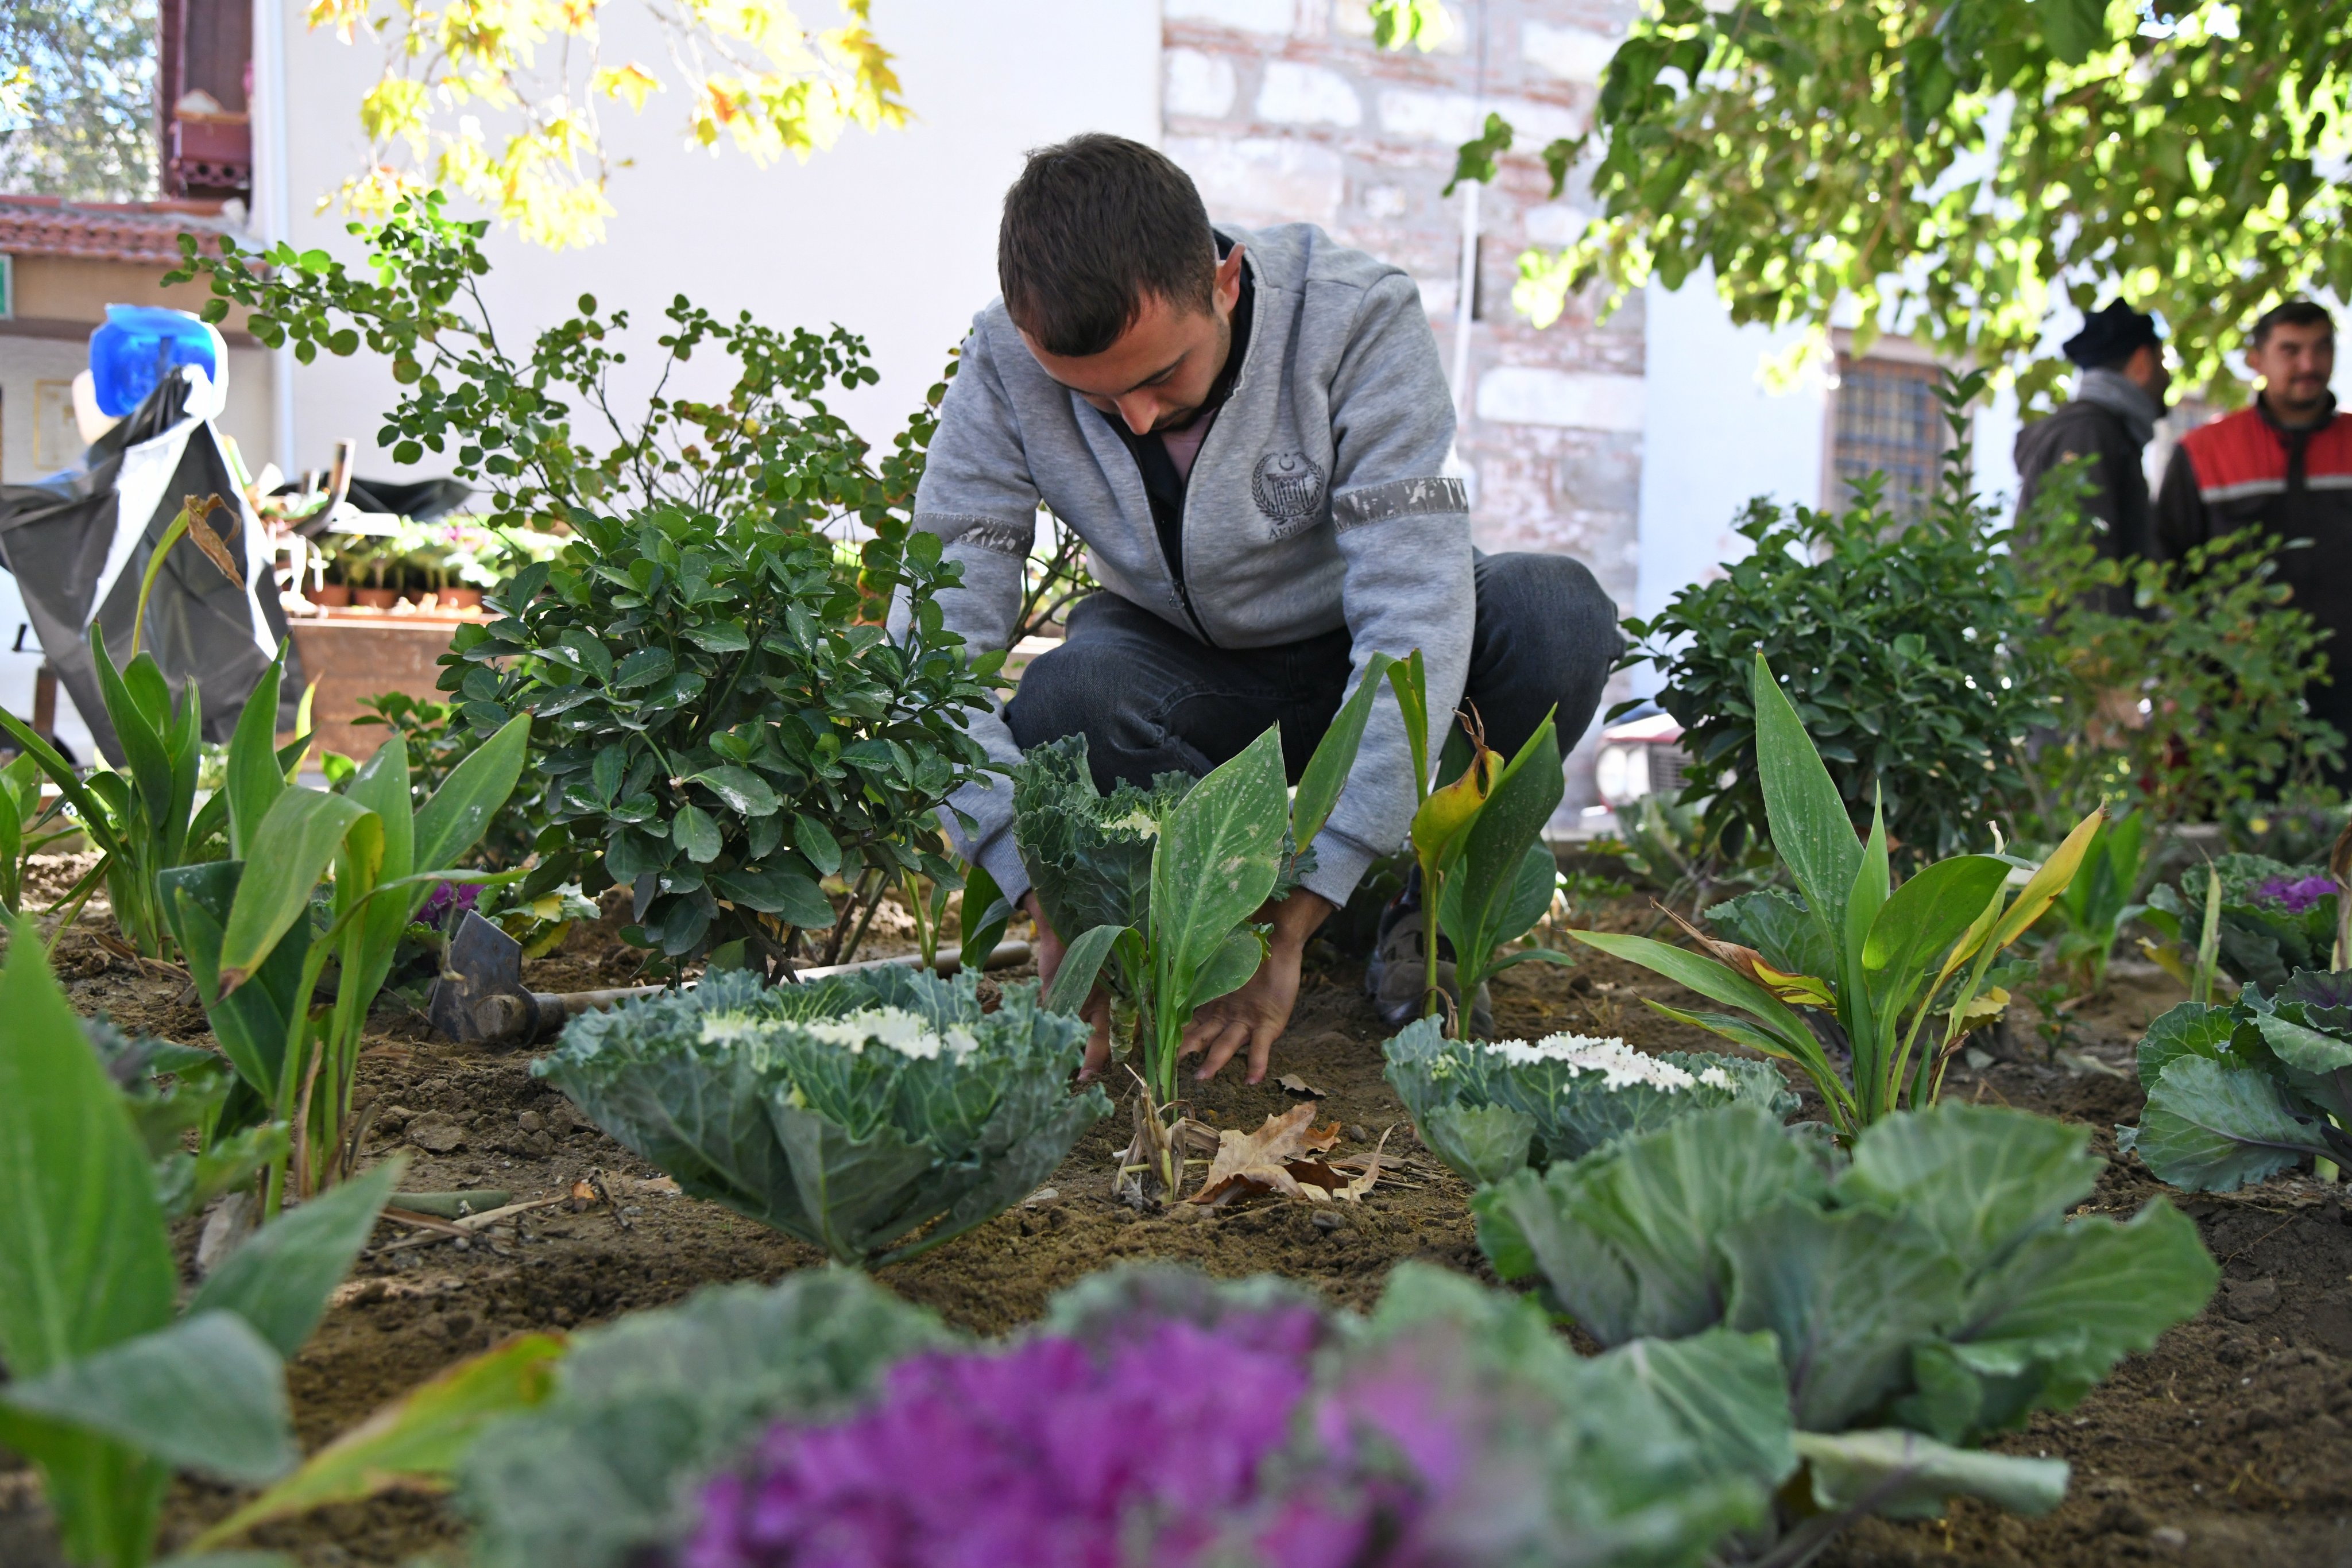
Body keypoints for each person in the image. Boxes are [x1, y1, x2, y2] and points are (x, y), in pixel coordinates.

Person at [900, 133, 1620, 1084]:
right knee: (1068, 697)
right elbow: (929, 661)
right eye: (1095, 399)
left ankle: (1424, 921)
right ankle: (1188, 928)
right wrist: (1048, 889)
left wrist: (1297, 921)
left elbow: (1411, 608)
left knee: (1556, 611)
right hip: (1175, 663)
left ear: (1226, 280)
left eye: (1162, 376)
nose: (1139, 421)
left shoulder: (1356, 317)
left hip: (1354, 644)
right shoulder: (1002, 362)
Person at [2154, 300, 2350, 788]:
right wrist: (2178, 680)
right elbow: (2166, 573)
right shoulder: (2205, 451)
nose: (2309, 364)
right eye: (2291, 350)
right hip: (2237, 698)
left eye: (2321, 347)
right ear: (2256, 359)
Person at [2013, 300, 2171, 586]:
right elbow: (2081, 567)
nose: (2168, 376)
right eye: (2162, 362)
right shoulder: (2088, 433)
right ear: (2142, 364)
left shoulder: (2102, 430)